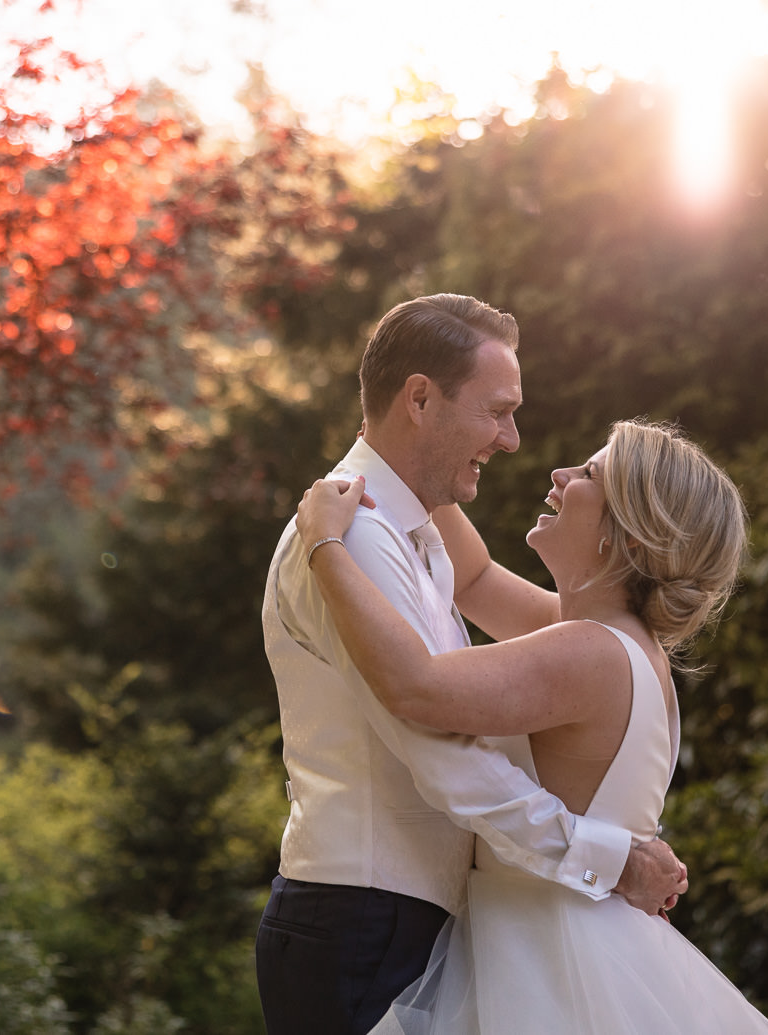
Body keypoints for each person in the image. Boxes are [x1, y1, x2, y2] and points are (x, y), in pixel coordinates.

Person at [255, 295, 688, 1035]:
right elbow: (440, 747)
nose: (514, 440)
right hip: (362, 920)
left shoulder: (412, 538)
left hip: (403, 922)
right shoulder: (356, 540)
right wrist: (609, 859)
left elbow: (483, 586)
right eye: (497, 410)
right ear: (420, 397)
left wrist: (409, 470)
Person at [295, 418, 768, 1033]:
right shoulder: (617, 645)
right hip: (575, 936)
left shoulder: (589, 654)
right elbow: (472, 578)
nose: (561, 474)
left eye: (590, 475)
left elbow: (414, 686)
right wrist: (397, 441)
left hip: (545, 956)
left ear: (626, 537)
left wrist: (324, 547)